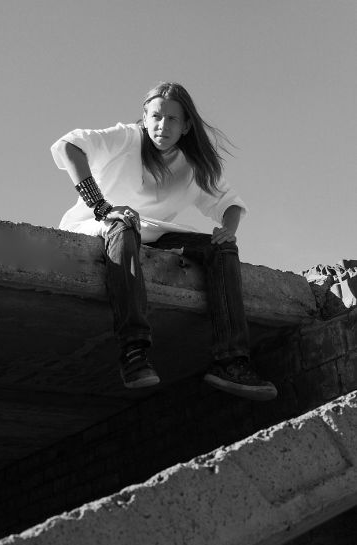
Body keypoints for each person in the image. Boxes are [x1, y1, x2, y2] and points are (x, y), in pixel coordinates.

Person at [51, 82, 277, 401]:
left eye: (172, 119)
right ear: (145, 117)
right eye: (156, 116)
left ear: (185, 126)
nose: (163, 125)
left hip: (155, 233)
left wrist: (228, 230)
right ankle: (134, 352)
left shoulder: (192, 164)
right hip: (102, 223)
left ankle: (231, 361)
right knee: (124, 227)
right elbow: (68, 146)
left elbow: (230, 203)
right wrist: (101, 206)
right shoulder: (126, 138)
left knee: (222, 248)